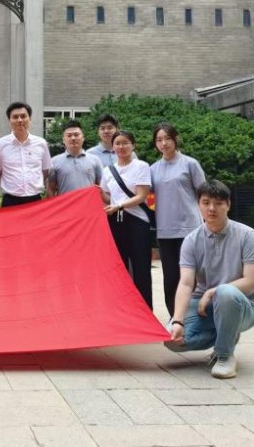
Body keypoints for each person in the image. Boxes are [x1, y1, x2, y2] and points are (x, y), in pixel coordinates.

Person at [165, 180, 254, 379]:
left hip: (242, 304)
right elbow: (186, 283)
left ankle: (224, 355)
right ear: (198, 205)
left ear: (228, 205)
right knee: (172, 340)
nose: (211, 208)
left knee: (225, 293)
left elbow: (251, 282)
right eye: (206, 202)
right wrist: (177, 321)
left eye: (218, 203)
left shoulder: (248, 235)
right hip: (203, 307)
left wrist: (212, 292)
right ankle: (227, 334)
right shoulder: (191, 240)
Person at [150, 122, 207, 317]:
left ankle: (193, 317)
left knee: (191, 275)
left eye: (167, 138)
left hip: (190, 228)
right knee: (170, 277)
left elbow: (204, 194)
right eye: (159, 140)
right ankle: (175, 318)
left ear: (176, 139)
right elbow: (145, 196)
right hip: (165, 230)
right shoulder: (153, 169)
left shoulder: (190, 164)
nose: (163, 143)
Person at [100, 130, 153, 309]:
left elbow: (141, 196)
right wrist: (97, 192)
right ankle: (124, 310)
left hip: (137, 221)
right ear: (113, 147)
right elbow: (109, 198)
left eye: (125, 143)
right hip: (116, 221)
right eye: (117, 143)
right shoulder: (108, 170)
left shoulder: (141, 166)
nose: (121, 147)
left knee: (141, 267)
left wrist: (119, 206)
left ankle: (145, 310)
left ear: (133, 145)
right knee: (120, 268)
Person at [0, 102, 52, 207]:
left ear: (30, 119)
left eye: (23, 116)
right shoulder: (0, 145)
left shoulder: (41, 143)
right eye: (15, 117)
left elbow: (45, 171)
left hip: (35, 200)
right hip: (10, 200)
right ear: (9, 120)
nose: (20, 120)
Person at [46, 120, 102, 196]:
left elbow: (100, 187)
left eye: (76, 135)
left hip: (88, 202)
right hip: (66, 203)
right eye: (69, 135)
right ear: (63, 140)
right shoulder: (54, 162)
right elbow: (50, 189)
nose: (73, 138)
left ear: (83, 138)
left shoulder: (95, 160)